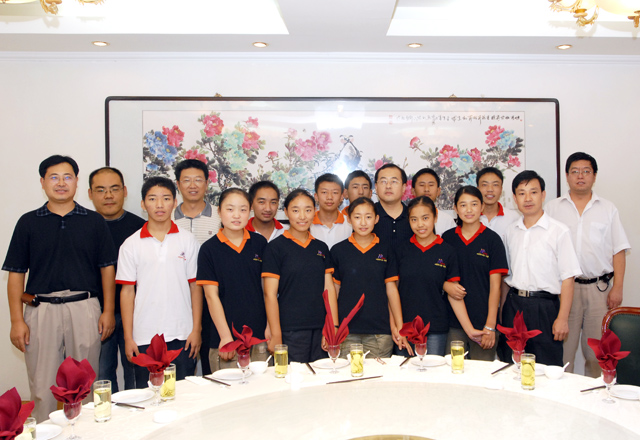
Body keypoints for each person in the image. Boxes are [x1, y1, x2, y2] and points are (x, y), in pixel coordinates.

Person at [3, 155, 117, 422]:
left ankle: (85, 434)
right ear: (42, 182)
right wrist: (16, 320)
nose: (61, 183)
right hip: (41, 310)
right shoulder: (28, 222)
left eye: (67, 177)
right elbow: (16, 275)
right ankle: (45, 433)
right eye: (54, 177)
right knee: (42, 387)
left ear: (77, 182)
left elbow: (107, 269)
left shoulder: (94, 221)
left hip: (85, 308)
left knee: (85, 386)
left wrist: (108, 311)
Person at [545, 152, 630, 377]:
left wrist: (618, 288)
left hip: (598, 290)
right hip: (565, 290)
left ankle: (595, 393)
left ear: (594, 176)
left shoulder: (608, 209)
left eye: (586, 171)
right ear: (567, 176)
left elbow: (619, 250)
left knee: (596, 354)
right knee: (564, 352)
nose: (580, 176)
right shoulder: (553, 209)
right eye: (575, 171)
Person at [117, 176, 202, 384]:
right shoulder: (130, 245)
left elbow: (195, 287)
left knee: (183, 393)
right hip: (144, 335)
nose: (159, 205)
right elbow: (127, 292)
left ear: (174, 202)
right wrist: (128, 337)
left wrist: (196, 329)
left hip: (182, 334)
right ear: (143, 204)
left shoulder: (188, 240)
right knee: (149, 393)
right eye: (152, 199)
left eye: (166, 198)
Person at [502, 170, 581, 367]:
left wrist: (562, 318)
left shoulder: (559, 231)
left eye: (533, 192)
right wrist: (503, 310)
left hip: (545, 307)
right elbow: (506, 276)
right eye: (521, 193)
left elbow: (568, 279)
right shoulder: (511, 231)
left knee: (546, 365)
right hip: (514, 305)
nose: (528, 198)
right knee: (512, 364)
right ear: (514, 198)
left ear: (543, 195)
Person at [395, 196, 485, 356]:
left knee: (434, 370)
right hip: (406, 329)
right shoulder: (401, 250)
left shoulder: (447, 251)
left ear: (435, 217)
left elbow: (455, 294)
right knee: (404, 371)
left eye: (425, 218)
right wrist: (397, 327)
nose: (420, 224)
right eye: (414, 219)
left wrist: (469, 330)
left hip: (436, 328)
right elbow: (392, 292)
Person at [262, 189, 338, 363]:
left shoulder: (321, 248)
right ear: (286, 212)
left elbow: (329, 289)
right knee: (292, 377)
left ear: (314, 211)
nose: (302, 216)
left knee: (321, 375)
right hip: (290, 330)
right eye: (296, 210)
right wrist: (276, 334)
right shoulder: (275, 248)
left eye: (308, 210)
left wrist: (333, 326)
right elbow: (269, 294)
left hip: (320, 329)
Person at [197, 188, 269, 370]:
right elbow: (211, 296)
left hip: (260, 336)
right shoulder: (209, 249)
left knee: (264, 386)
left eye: (243, 209)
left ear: (250, 212)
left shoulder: (260, 243)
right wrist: (225, 337)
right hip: (225, 339)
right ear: (219, 211)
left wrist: (270, 327)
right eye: (230, 209)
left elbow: (268, 291)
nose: (236, 215)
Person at [88, 167, 146, 392]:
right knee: (101, 373)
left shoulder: (140, 228)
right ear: (90, 194)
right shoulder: (84, 226)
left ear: (125, 191)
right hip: (96, 312)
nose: (108, 196)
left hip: (135, 312)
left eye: (114, 189)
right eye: (101, 190)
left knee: (136, 372)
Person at [331, 197, 407, 358]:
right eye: (357, 217)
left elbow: (392, 290)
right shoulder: (338, 251)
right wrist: (333, 327)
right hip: (346, 332)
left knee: (378, 374)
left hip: (380, 332)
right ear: (349, 219)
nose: (363, 222)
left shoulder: (386, 250)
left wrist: (400, 327)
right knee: (347, 373)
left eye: (368, 217)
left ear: (376, 219)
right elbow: (334, 292)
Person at [442, 186, 509, 361]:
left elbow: (496, 287)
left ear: (482, 207)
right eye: (463, 205)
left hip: (483, 323)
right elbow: (437, 275)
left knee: (481, 373)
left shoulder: (492, 240)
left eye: (474, 204)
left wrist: (490, 326)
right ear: (455, 209)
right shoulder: (447, 239)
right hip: (453, 323)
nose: (469, 210)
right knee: (452, 370)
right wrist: (445, 284)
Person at [174, 159, 220, 376]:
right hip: (180, 301)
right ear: (178, 184)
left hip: (214, 300)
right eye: (186, 180)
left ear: (207, 184)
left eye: (198, 180)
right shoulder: (166, 218)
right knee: (182, 367)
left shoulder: (222, 215)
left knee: (212, 364)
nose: (192, 185)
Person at [372, 164, 413, 248]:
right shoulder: (367, 216)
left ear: (403, 187)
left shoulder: (414, 216)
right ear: (376, 187)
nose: (388, 186)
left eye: (394, 181)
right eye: (383, 181)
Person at [476, 167, 520, 242]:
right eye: (485, 185)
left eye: (495, 185)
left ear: (501, 189)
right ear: (478, 189)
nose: (490, 189)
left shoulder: (514, 218)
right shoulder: (470, 217)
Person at [310, 173, 352, 249]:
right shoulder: (307, 224)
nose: (329, 197)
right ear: (316, 196)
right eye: (324, 192)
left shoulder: (350, 224)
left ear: (341, 197)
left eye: (335, 192)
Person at [411, 168, 456, 235]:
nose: (426, 189)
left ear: (438, 191)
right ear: (413, 191)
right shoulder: (407, 218)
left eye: (431, 185)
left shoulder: (447, 220)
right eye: (422, 185)